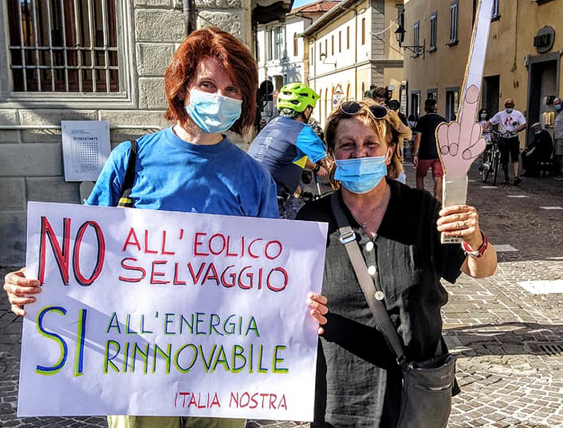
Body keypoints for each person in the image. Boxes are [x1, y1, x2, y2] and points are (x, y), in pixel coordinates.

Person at [3, 27, 278, 428]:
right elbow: (79, 254)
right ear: (183, 88)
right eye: (207, 84)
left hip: (223, 362)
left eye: (233, 89)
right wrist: (32, 283)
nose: (220, 97)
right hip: (136, 359)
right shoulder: (130, 160)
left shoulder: (255, 179)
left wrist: (302, 308)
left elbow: (274, 274)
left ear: (245, 100)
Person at [302, 99, 497, 427]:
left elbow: (482, 269)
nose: (360, 154)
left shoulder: (423, 210)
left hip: (413, 392)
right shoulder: (313, 220)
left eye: (370, 144)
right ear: (332, 155)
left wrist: (475, 240)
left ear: (389, 151)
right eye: (347, 145)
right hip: (337, 394)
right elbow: (285, 305)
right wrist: (302, 310)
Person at [247, 82, 331, 218]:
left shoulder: (273, 124)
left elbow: (286, 157)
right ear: (306, 110)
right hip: (271, 200)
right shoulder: (302, 130)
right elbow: (329, 162)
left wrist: (315, 168)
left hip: (249, 194)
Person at [484, 98, 527, 185]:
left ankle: (516, 177)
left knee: (515, 158)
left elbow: (524, 124)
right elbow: (490, 121)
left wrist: (517, 129)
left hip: (513, 137)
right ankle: (506, 177)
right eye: (507, 105)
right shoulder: (500, 114)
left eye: (510, 105)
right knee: (504, 160)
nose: (508, 107)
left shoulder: (517, 114)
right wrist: (485, 128)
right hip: (503, 138)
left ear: (513, 105)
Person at [413, 98, 447, 199]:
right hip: (438, 153)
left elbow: (418, 138)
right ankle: (436, 199)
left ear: (425, 107)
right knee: (438, 177)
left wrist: (415, 153)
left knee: (420, 176)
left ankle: (421, 198)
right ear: (436, 107)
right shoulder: (442, 120)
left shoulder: (422, 120)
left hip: (425, 153)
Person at [553, 97, 563, 178]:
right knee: (558, 154)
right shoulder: (558, 113)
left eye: (558, 104)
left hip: (561, 136)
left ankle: (562, 172)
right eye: (555, 104)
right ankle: (560, 171)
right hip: (557, 136)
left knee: (561, 154)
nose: (556, 105)